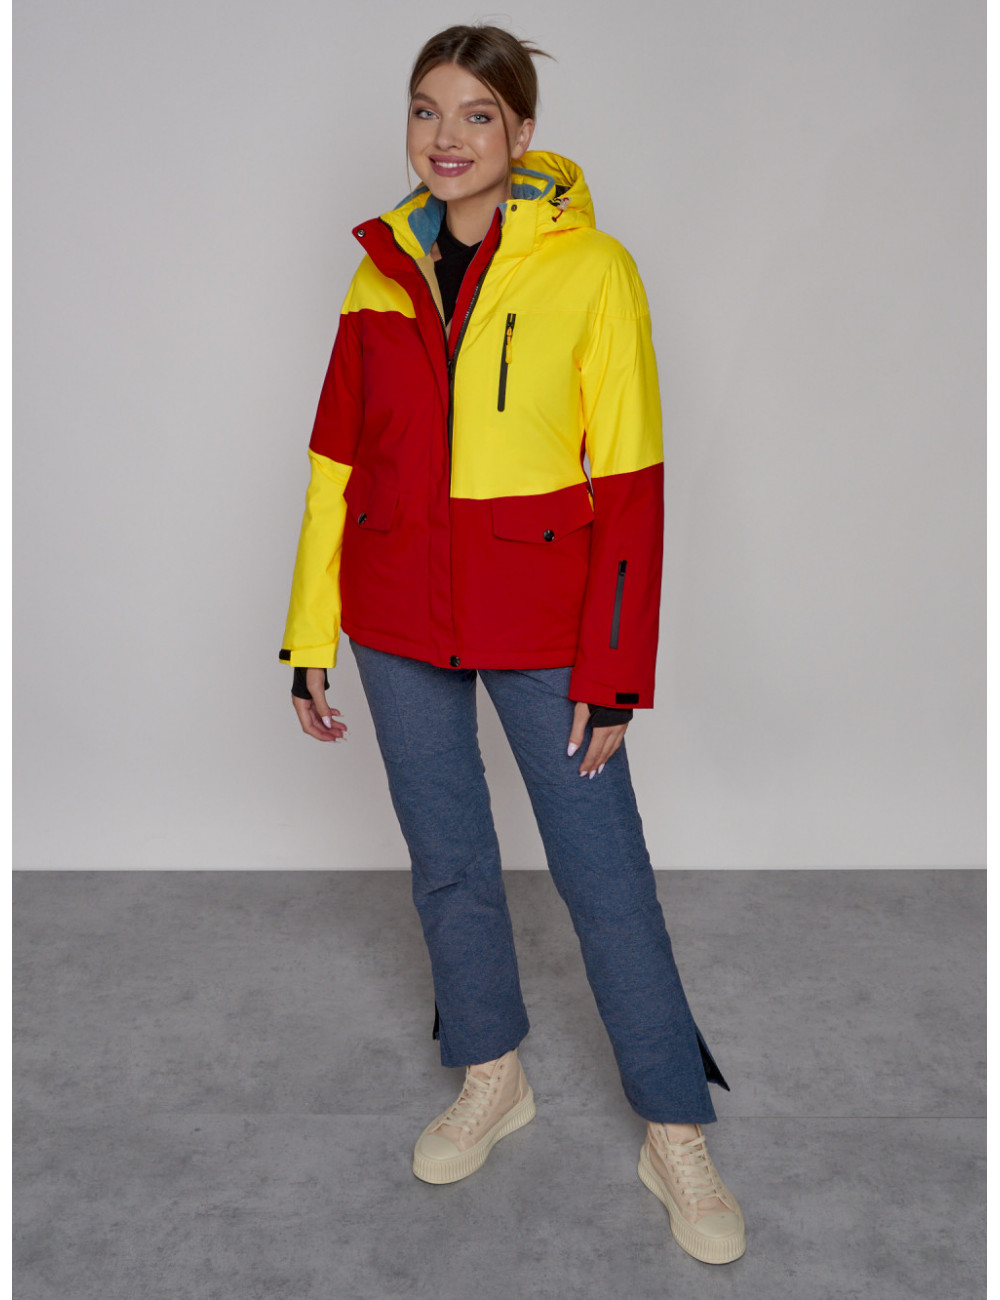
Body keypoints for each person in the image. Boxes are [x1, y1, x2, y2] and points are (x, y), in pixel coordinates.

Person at [280, 23, 746, 1265]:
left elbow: (631, 487)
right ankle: (492, 1071)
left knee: (605, 875)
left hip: (543, 618)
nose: (446, 138)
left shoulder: (593, 269)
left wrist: (615, 670)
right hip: (394, 615)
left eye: (476, 114)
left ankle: (674, 1126)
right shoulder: (376, 277)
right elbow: (334, 465)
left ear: (522, 132)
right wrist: (308, 631)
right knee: (447, 860)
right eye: (426, 111)